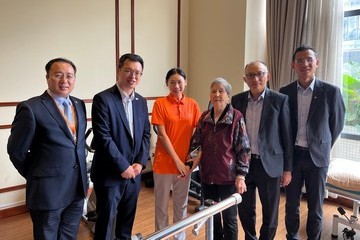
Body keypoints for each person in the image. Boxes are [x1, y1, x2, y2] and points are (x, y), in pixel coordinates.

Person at [7, 58, 88, 239]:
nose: (64, 81)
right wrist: (37, 175)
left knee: (69, 235)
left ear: (75, 79)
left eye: (69, 76)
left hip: (77, 187)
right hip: (47, 192)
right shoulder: (31, 108)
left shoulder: (79, 104)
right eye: (58, 75)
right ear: (47, 77)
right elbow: (16, 151)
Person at [279, 45, 345, 240]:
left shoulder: (331, 92)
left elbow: (337, 124)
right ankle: (292, 237)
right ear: (293, 65)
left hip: (317, 158)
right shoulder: (285, 92)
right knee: (291, 204)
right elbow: (283, 126)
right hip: (293, 157)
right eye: (299, 60)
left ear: (316, 63)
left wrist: (321, 145)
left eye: (309, 60)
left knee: (315, 207)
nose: (304, 64)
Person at [91, 53, 151, 240]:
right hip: (110, 175)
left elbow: (146, 135)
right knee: (105, 226)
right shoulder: (103, 99)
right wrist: (123, 165)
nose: (133, 76)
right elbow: (103, 137)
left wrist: (140, 163)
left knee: (126, 226)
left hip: (134, 175)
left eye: (138, 73)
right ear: (118, 71)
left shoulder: (141, 101)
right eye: (128, 71)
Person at [231, 61, 293, 240]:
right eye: (250, 75)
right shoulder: (237, 100)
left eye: (259, 74)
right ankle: (250, 237)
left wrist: (287, 169)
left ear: (268, 76)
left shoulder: (280, 100)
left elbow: (287, 136)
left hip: (270, 165)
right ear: (245, 78)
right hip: (244, 165)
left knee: (270, 212)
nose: (255, 78)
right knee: (245, 208)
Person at [185, 77, 251, 240]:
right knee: (211, 216)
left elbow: (243, 148)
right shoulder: (205, 117)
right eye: (213, 91)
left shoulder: (236, 117)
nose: (217, 94)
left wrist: (241, 175)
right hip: (207, 176)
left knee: (229, 218)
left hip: (228, 178)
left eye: (221, 91)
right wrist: (189, 164)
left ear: (228, 96)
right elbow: (196, 143)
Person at [151, 67, 201, 240]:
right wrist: (177, 161)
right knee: (162, 205)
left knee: (181, 204)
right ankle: (161, 237)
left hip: (185, 164)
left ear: (185, 83)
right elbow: (162, 136)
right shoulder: (160, 104)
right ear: (167, 84)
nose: (176, 86)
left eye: (179, 82)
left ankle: (179, 236)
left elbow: (198, 136)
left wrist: (190, 162)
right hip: (164, 163)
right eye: (172, 82)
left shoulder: (193, 104)